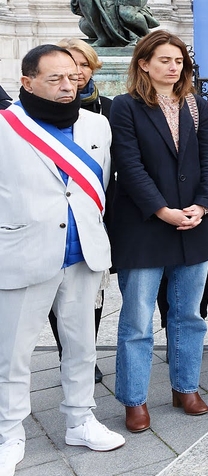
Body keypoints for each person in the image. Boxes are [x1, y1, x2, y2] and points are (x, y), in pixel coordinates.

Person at [0, 46, 125, 475]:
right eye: (54, 79)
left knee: (81, 346)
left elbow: (99, 186)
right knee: (13, 353)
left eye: (72, 78)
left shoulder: (97, 124)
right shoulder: (5, 128)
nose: (66, 87)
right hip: (23, 254)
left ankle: (80, 419)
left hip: (83, 255)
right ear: (27, 82)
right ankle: (10, 432)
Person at [107, 31, 208, 433]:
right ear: (144, 64)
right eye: (165, 60)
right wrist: (162, 210)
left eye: (179, 62)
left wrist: (203, 205)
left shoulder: (196, 104)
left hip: (194, 224)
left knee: (188, 314)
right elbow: (129, 166)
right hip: (144, 226)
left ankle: (185, 387)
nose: (174, 68)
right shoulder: (125, 107)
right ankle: (134, 399)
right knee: (137, 320)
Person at [50, 38, 112, 383]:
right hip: (57, 219)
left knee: (94, 287)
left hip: (97, 213)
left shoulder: (109, 108)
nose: (76, 72)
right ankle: (64, 352)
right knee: (57, 292)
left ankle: (86, 349)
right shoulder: (32, 113)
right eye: (70, 63)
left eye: (83, 64)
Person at [59, 38, 111, 118]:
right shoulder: (47, 103)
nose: (78, 71)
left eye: (85, 65)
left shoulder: (109, 106)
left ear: (92, 69)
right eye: (73, 64)